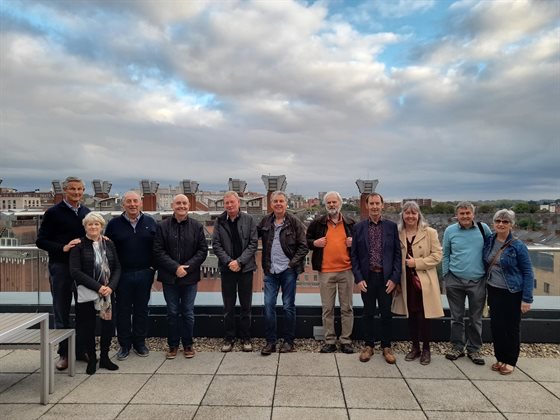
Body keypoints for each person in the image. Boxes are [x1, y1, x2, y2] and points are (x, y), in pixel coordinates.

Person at [36, 176, 91, 370]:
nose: (76, 192)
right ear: (65, 190)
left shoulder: (86, 212)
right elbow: (41, 241)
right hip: (61, 268)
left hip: (83, 270)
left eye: (80, 189)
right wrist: (63, 247)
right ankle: (64, 353)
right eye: (73, 189)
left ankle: (82, 350)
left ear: (83, 191)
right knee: (61, 312)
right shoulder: (53, 213)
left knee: (84, 311)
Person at [153, 194, 208, 359]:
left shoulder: (197, 226)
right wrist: (175, 268)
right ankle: (173, 345)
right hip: (169, 278)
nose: (181, 206)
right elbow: (158, 251)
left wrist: (187, 268)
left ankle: (188, 344)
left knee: (188, 312)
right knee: (172, 312)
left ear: (189, 206)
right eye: (178, 203)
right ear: (173, 206)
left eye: (184, 203)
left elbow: (202, 251)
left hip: (189, 278)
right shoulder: (162, 226)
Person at [105, 191, 157, 360]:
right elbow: (107, 250)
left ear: (141, 203)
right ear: (123, 205)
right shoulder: (113, 224)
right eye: (129, 201)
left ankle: (140, 343)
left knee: (142, 309)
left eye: (135, 201)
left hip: (145, 272)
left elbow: (158, 247)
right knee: (123, 310)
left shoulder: (150, 222)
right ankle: (124, 345)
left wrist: (152, 268)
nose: (133, 204)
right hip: (122, 274)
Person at [351, 193, 401, 364]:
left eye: (377, 203)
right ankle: (369, 345)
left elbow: (397, 255)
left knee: (386, 313)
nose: (374, 206)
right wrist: (358, 278)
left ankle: (386, 346)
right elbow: (354, 256)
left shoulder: (391, 227)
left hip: (386, 278)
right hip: (367, 278)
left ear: (382, 205)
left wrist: (394, 278)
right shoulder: (359, 228)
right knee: (368, 313)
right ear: (367, 206)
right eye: (371, 203)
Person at [392, 201, 444, 365]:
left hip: (424, 280)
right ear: (402, 215)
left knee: (424, 315)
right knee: (411, 315)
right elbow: (393, 256)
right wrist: (395, 280)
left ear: (418, 215)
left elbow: (437, 256)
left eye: (413, 213)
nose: (410, 216)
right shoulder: (397, 233)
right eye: (407, 213)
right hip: (405, 280)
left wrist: (417, 263)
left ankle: (426, 349)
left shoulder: (430, 232)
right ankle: (415, 347)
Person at [483, 209, 534, 375]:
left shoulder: (518, 246)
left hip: (512, 292)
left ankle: (510, 360)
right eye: (498, 221)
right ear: (493, 223)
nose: (501, 224)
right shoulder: (490, 240)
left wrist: (527, 299)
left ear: (512, 225)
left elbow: (528, 272)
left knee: (511, 327)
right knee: (497, 326)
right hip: (493, 290)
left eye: (505, 221)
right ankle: (500, 357)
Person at [69, 212, 120, 375]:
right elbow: (75, 271)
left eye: (96, 224)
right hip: (88, 292)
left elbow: (117, 267)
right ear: (85, 227)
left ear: (101, 226)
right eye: (90, 224)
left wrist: (110, 287)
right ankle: (92, 358)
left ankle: (105, 357)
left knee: (107, 325)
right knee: (87, 325)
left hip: (107, 293)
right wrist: (98, 287)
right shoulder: (78, 246)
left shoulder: (109, 244)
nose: (93, 227)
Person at [258, 191, 308, 355]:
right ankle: (270, 342)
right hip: (270, 270)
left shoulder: (294, 222)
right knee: (268, 305)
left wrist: (291, 264)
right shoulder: (265, 221)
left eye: (281, 201)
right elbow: (251, 238)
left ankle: (288, 341)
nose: (278, 204)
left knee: (288, 306)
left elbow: (303, 246)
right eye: (275, 201)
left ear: (286, 204)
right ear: (271, 204)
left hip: (288, 271)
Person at [442, 201, 491, 365]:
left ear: (473, 214)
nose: (465, 216)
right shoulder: (450, 231)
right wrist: (446, 276)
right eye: (461, 213)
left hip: (478, 281)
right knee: (456, 317)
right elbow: (446, 254)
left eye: (467, 213)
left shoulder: (484, 229)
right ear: (457, 215)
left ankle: (474, 349)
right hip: (454, 280)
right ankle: (457, 347)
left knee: (475, 318)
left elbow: (491, 250)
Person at [306, 191, 355, 354]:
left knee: (347, 308)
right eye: (329, 202)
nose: (332, 205)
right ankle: (330, 341)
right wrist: (315, 243)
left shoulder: (350, 223)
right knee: (327, 308)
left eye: (334, 202)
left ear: (340, 204)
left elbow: (362, 244)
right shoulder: (317, 223)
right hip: (325, 271)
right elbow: (306, 241)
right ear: (325, 205)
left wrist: (354, 242)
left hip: (346, 270)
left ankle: (346, 341)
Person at [212, 191, 258, 352]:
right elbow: (216, 244)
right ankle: (229, 337)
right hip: (227, 270)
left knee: (246, 306)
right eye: (227, 203)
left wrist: (239, 262)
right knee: (228, 306)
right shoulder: (219, 221)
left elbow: (253, 243)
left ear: (238, 203)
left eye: (232, 202)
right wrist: (229, 262)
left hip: (246, 269)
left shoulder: (249, 219)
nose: (230, 205)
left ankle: (246, 337)